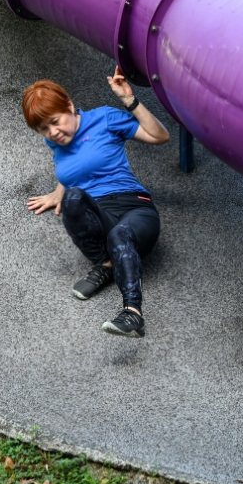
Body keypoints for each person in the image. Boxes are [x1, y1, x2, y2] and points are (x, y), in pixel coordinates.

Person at [23, 67, 170, 337]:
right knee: (74, 197)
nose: (53, 132)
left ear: (69, 105)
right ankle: (108, 263)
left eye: (55, 122)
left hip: (134, 208)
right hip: (101, 211)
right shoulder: (56, 143)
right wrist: (58, 192)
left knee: (119, 235)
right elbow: (73, 168)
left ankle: (133, 314)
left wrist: (130, 101)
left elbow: (160, 137)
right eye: (43, 129)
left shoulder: (104, 118)